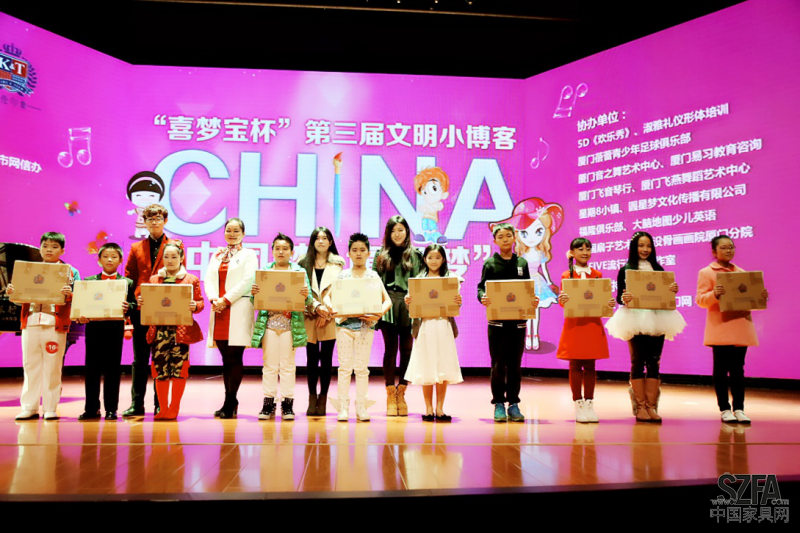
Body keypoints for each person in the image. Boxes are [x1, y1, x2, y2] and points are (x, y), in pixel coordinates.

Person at [605, 231, 686, 423]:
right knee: (638, 360)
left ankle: (652, 406)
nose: (645, 249)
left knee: (654, 361)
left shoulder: (658, 269)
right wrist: (624, 297)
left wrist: (672, 290)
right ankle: (640, 406)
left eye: (648, 246)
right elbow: (619, 298)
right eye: (641, 245)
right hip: (635, 318)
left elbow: (664, 294)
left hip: (659, 317)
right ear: (634, 248)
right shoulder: (626, 269)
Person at [696, 235, 768, 424]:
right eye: (724, 247)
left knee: (738, 370)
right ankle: (725, 409)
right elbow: (701, 300)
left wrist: (759, 296)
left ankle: (739, 408)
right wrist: (715, 294)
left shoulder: (742, 273)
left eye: (731, 247)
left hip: (740, 326)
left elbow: (748, 302)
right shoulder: (707, 272)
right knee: (720, 370)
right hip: (721, 327)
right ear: (714, 251)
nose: (728, 250)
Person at [123, 203, 185, 418]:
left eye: (158, 218)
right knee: (140, 359)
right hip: (141, 309)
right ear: (145, 222)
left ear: (165, 221)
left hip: (166, 308)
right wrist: (132, 303)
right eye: (150, 219)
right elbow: (129, 278)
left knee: (163, 358)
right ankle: (136, 404)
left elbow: (182, 275)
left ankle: (160, 405)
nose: (154, 222)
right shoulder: (136, 248)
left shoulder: (176, 245)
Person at [9, 232, 79, 420]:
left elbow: (80, 298)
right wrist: (13, 293)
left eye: (54, 247)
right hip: (30, 322)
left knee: (53, 367)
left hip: (55, 324)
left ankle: (50, 408)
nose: (49, 250)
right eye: (45, 246)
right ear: (40, 249)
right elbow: (18, 299)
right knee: (30, 365)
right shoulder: (28, 270)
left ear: (62, 250)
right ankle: (29, 407)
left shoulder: (70, 272)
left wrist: (70, 294)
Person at [478, 222, 539, 423]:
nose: (505, 239)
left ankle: (513, 403)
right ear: (495, 241)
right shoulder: (490, 264)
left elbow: (527, 289)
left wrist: (532, 300)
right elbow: (481, 288)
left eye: (508, 236)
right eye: (500, 237)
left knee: (515, 365)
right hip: (496, 323)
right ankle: (498, 403)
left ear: (514, 238)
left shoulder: (521, 263)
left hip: (518, 323)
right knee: (498, 364)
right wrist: (483, 297)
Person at [328, 233, 391, 422]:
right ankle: (343, 406)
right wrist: (333, 310)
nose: (358, 253)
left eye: (362, 250)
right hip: (344, 326)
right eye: (354, 250)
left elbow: (387, 301)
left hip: (365, 327)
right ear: (348, 253)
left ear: (368, 253)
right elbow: (327, 297)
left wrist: (377, 314)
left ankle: (361, 406)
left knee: (362, 369)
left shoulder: (372, 276)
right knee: (345, 368)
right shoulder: (343, 275)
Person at [138, 243, 204, 420]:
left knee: (179, 370)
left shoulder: (191, 279)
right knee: (160, 370)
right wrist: (142, 303)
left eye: (174, 257)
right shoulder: (154, 280)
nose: (170, 260)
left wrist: (195, 305)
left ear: (181, 258)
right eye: (166, 257)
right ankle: (162, 408)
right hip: (159, 331)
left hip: (181, 332)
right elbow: (147, 304)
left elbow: (200, 303)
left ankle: (174, 407)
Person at [251, 234, 312, 421]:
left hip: (289, 325)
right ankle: (268, 403)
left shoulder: (298, 272)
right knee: (269, 366)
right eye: (277, 248)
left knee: (287, 366)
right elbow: (255, 301)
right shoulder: (264, 271)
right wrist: (254, 293)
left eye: (285, 248)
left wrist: (305, 294)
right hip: (269, 324)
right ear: (272, 251)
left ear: (292, 252)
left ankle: (287, 404)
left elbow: (308, 300)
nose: (281, 252)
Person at [492, 198, 563, 351]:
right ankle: (527, 336)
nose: (531, 237)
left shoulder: (540, 252)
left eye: (538, 231)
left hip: (537, 282)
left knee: (535, 310)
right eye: (524, 232)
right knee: (526, 312)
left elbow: (544, 269)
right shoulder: (521, 253)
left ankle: (535, 335)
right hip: (523, 283)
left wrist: (549, 282)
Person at [204, 218, 257, 419]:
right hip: (219, 310)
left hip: (237, 307)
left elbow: (248, 281)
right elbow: (209, 279)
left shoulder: (249, 254)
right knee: (225, 358)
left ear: (243, 234)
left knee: (234, 357)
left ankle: (230, 400)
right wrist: (213, 299)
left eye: (236, 231)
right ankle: (230, 401)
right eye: (229, 230)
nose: (232, 234)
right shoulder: (217, 254)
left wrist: (225, 299)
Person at [556, 238, 614, 423]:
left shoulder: (597, 274)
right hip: (574, 324)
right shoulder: (567, 275)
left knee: (590, 365)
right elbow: (564, 302)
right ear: (572, 253)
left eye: (588, 249)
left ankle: (589, 403)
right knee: (575, 365)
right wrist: (562, 300)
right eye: (580, 249)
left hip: (591, 323)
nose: (585, 252)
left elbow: (601, 299)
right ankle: (578, 403)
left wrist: (608, 302)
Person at [76, 243, 136, 421]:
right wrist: (81, 316)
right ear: (99, 260)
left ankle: (111, 409)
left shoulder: (127, 283)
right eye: (106, 256)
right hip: (94, 329)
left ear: (120, 260)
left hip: (114, 330)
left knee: (113, 370)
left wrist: (128, 306)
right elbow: (80, 306)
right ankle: (91, 408)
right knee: (92, 370)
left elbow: (134, 305)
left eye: (114, 257)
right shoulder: (89, 282)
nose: (110, 260)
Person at [404, 244, 463, 421]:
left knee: (443, 367)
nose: (434, 261)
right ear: (424, 259)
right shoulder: (418, 281)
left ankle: (440, 409)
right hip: (425, 327)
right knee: (427, 367)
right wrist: (408, 302)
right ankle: (428, 408)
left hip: (443, 325)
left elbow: (454, 306)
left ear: (443, 259)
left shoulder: (450, 279)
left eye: (438, 257)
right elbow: (412, 308)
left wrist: (457, 301)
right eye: (430, 257)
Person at [373, 215, 423, 416]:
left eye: (401, 230)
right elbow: (374, 282)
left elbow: (422, 281)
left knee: (407, 350)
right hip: (387, 304)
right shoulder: (381, 254)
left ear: (407, 232)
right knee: (390, 349)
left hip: (409, 304)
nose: (397, 234)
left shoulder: (416, 255)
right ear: (388, 233)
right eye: (393, 230)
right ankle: (389, 394)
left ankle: (402, 393)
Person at [298, 226, 345, 417]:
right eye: (317, 238)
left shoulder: (338, 264)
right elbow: (300, 291)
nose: (321, 241)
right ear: (312, 241)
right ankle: (311, 399)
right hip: (309, 315)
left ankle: (323, 399)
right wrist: (316, 309)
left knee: (326, 359)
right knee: (311, 360)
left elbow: (339, 291)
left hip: (329, 317)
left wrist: (325, 312)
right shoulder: (302, 263)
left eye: (325, 238)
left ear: (331, 242)